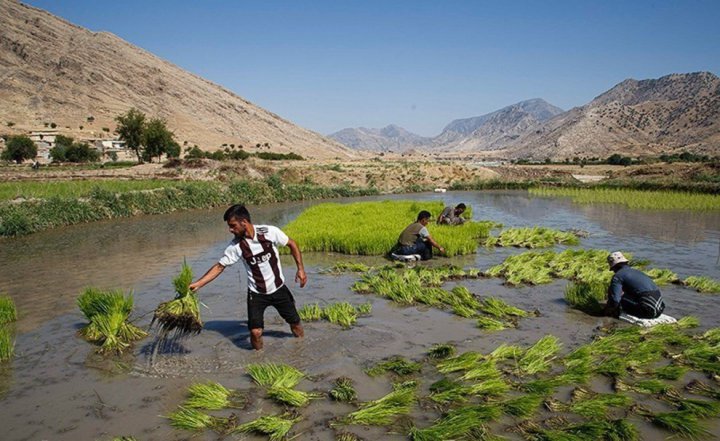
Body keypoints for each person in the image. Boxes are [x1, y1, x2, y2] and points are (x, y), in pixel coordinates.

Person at [189, 204, 307, 350]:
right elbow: (220, 266)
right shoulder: (236, 246)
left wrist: (300, 269)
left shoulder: (269, 232)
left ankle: (301, 347)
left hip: (278, 288)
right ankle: (258, 358)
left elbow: (292, 244)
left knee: (295, 323)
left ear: (244, 222)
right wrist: (198, 284)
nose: (230, 230)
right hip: (256, 294)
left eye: (233, 226)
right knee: (255, 332)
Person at [604, 251, 665, 319]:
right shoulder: (637, 272)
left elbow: (615, 300)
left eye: (613, 269)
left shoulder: (618, 276)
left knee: (616, 295)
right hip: (660, 309)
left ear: (615, 266)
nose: (614, 271)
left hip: (647, 311)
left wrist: (608, 310)